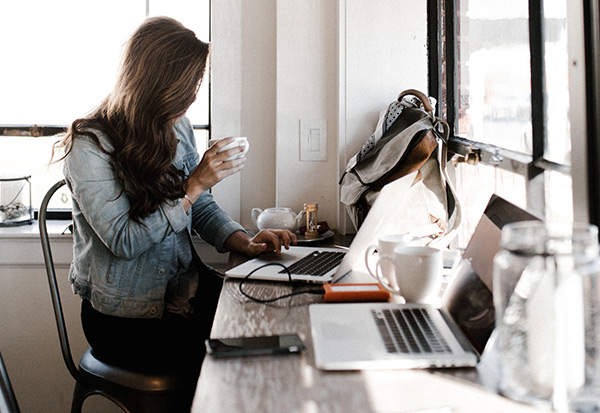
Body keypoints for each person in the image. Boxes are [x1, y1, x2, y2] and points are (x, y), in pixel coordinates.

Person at [52, 15, 296, 404]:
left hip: (184, 294)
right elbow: (123, 240)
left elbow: (199, 205)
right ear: (156, 82)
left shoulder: (176, 127)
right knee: (238, 364)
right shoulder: (89, 146)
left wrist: (244, 241)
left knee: (274, 317)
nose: (193, 97)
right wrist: (194, 183)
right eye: (189, 85)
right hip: (124, 321)